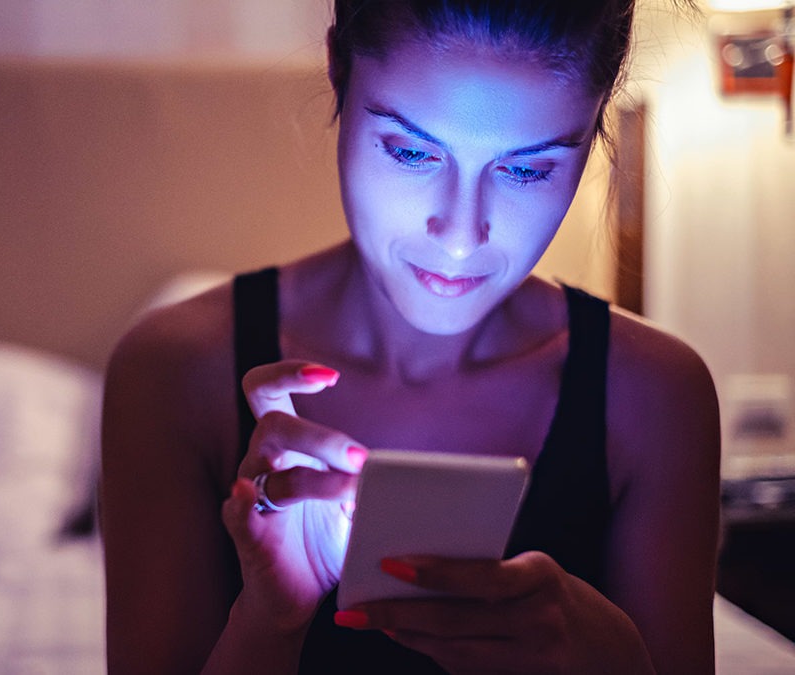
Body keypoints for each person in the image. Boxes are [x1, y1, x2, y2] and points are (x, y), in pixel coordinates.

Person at [100, 1, 720, 673]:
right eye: (411, 150)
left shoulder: (656, 396)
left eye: (526, 168)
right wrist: (268, 620)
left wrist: (619, 661)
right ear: (339, 69)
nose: (459, 236)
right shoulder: (173, 370)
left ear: (599, 116)